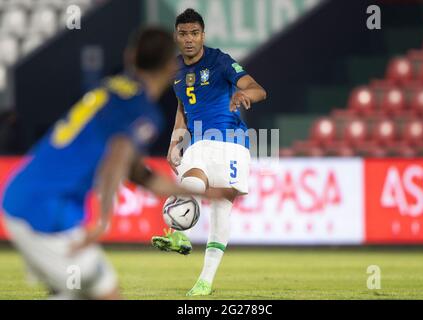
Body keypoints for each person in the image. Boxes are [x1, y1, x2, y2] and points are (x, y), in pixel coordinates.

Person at [1, 27, 224, 300]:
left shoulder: (109, 88)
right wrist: (103, 221)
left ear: (130, 56)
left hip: (23, 196)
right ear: (171, 68)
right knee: (104, 291)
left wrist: (204, 192)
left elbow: (138, 174)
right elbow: (117, 160)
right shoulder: (142, 111)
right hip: (46, 210)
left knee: (83, 290)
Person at [151, 8, 267, 296]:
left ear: (202, 35)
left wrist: (244, 95)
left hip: (232, 142)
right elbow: (182, 107)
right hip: (200, 141)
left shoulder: (221, 62)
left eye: (194, 33)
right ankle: (180, 235)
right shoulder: (174, 69)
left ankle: (205, 281)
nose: (189, 39)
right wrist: (174, 142)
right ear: (176, 37)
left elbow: (258, 89)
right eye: (183, 34)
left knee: (221, 208)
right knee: (190, 180)